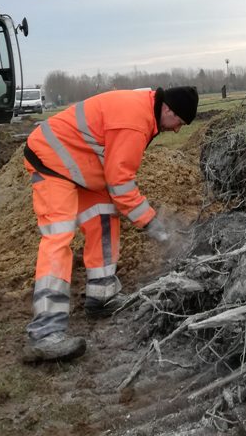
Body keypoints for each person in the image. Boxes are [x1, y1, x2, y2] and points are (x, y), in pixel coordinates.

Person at [22, 85, 199, 363]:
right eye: (179, 122)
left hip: (82, 167)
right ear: (168, 109)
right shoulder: (134, 121)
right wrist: (154, 226)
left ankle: (101, 295)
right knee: (59, 236)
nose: (178, 130)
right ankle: (45, 332)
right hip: (52, 161)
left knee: (104, 216)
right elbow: (121, 185)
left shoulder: (145, 113)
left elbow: (115, 180)